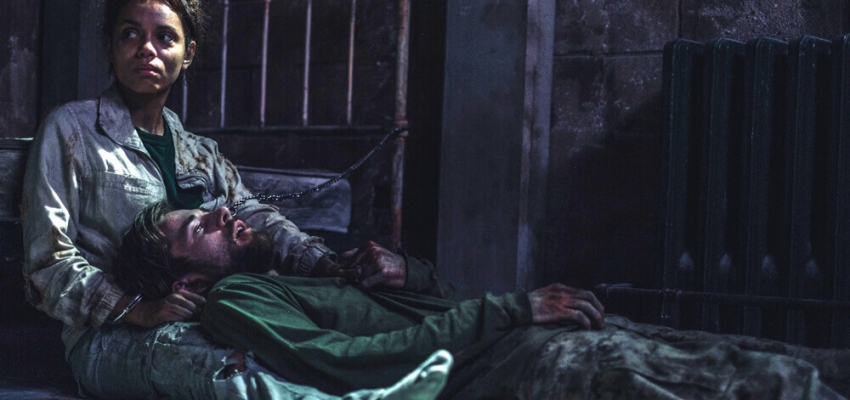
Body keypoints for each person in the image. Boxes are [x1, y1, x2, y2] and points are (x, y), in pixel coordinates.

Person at [20, 0, 441, 398]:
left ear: (188, 53)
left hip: (217, 314)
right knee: (218, 364)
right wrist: (138, 309)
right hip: (109, 335)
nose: (147, 48)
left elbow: (253, 215)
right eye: (130, 34)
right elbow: (47, 263)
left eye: (165, 37)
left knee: (323, 327)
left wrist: (322, 264)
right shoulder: (72, 130)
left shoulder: (199, 152)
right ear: (110, 46)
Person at [117, 200, 848, 400]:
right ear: (187, 283)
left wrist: (407, 273)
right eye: (195, 228)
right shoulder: (236, 299)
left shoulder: (295, 272)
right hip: (510, 365)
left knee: (784, 356)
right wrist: (514, 311)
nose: (218, 215)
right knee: (757, 384)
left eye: (208, 209)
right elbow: (351, 363)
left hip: (525, 333)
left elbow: (439, 304)